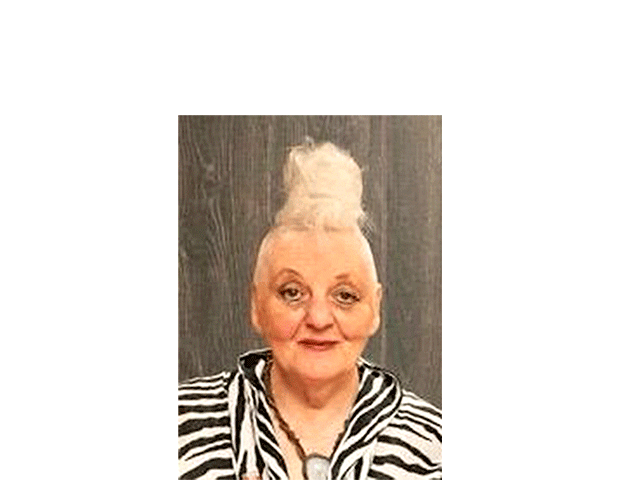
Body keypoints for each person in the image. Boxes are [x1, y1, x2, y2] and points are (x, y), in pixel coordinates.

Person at [178, 141, 442, 480]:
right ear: (256, 305)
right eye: (292, 293)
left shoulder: (437, 447)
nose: (318, 318)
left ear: (375, 308)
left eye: (345, 295)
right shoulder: (179, 426)